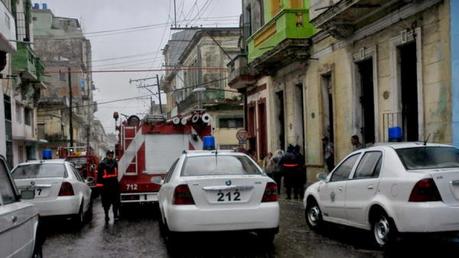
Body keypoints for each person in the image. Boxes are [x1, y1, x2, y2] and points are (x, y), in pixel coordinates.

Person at [98, 150, 120, 223]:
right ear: (107, 155)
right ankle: (108, 215)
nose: (111, 156)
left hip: (109, 186)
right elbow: (99, 177)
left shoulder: (102, 164)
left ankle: (114, 216)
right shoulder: (115, 163)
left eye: (111, 155)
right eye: (110, 155)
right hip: (110, 186)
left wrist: (100, 187)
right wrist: (100, 187)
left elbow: (99, 177)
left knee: (112, 202)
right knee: (111, 202)